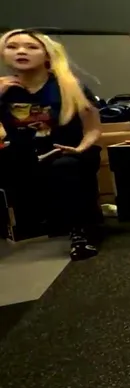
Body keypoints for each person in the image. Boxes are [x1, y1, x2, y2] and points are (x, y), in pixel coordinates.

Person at [0, 30, 104, 260]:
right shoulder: (3, 90)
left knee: (65, 165)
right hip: (23, 154)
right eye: (12, 47)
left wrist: (80, 149)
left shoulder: (68, 86)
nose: (21, 52)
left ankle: (81, 235)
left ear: (47, 55)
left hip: (68, 152)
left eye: (31, 47)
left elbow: (93, 129)